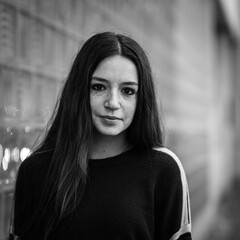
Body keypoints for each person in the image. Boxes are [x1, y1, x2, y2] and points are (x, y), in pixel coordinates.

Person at [10, 32, 192, 240]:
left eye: (128, 91)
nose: (113, 103)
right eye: (99, 87)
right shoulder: (35, 170)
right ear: (79, 92)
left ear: (142, 98)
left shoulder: (163, 169)